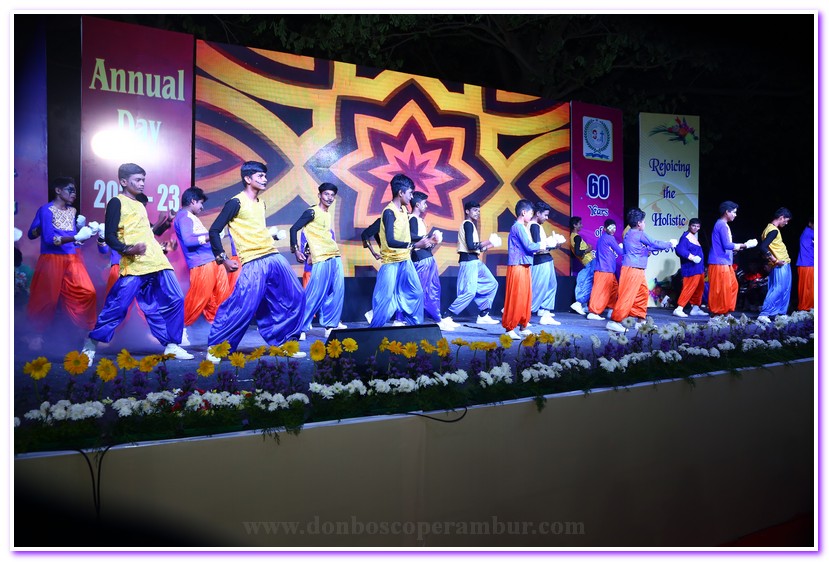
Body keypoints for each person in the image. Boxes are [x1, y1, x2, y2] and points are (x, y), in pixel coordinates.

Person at [82, 164, 192, 362]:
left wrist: (163, 228)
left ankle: (172, 345)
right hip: (135, 263)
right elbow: (110, 236)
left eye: (143, 180)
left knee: (175, 299)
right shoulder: (116, 202)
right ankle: (91, 345)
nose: (142, 183)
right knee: (117, 306)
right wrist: (128, 249)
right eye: (138, 180)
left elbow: (147, 234)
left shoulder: (140, 205)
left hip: (157, 261)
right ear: (124, 181)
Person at [206, 161, 306, 361]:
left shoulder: (261, 203)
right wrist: (223, 259)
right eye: (260, 176)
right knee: (243, 305)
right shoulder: (236, 202)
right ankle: (216, 348)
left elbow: (255, 229)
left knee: (296, 296)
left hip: (273, 256)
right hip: (253, 260)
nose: (265, 179)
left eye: (265, 176)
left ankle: (285, 342)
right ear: (247, 178)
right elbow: (214, 230)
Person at [25, 176, 97, 350]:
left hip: (72, 257)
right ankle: (35, 335)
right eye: (70, 190)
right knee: (46, 299)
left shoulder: (72, 211)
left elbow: (70, 237)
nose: (74, 194)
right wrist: (75, 236)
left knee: (88, 292)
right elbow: (48, 239)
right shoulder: (46, 210)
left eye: (75, 191)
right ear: (58, 190)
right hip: (51, 258)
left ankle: (86, 334)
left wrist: (81, 233)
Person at [368, 174, 436, 328]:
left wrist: (425, 239)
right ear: (400, 193)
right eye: (410, 193)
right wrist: (415, 245)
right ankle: (374, 331)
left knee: (417, 293)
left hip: (405, 261)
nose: (411, 197)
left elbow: (407, 235)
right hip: (391, 263)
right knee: (385, 299)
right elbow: (390, 241)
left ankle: (415, 328)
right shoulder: (389, 212)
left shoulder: (404, 210)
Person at [173, 187, 232, 345]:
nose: (202, 207)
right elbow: (188, 241)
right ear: (192, 201)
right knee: (198, 299)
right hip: (201, 263)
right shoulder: (184, 216)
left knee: (221, 298)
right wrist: (209, 236)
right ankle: (177, 331)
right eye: (200, 203)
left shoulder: (192, 217)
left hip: (213, 262)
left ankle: (218, 332)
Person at [289, 182, 347, 338]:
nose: (329, 198)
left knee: (337, 292)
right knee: (315, 294)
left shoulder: (327, 214)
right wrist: (296, 250)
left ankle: (330, 325)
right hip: (321, 257)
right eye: (326, 194)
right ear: (319, 195)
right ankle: (300, 328)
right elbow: (294, 229)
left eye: (332, 195)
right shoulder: (312, 212)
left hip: (334, 255)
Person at [606, 208, 677, 332]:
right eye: (643, 221)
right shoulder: (639, 234)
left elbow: (646, 249)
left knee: (642, 293)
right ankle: (614, 321)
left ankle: (640, 321)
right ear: (639, 223)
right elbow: (654, 243)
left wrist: (663, 245)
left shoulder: (629, 234)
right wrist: (670, 244)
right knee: (627, 295)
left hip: (636, 269)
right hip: (632, 269)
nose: (644, 223)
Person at [443, 201, 500, 325]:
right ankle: (447, 315)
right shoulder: (468, 224)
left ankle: (483, 314)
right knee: (469, 292)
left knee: (492, 283)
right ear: (467, 211)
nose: (477, 213)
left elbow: (476, 249)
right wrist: (488, 241)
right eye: (475, 210)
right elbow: (470, 246)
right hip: (468, 261)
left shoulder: (472, 225)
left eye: (478, 211)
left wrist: (490, 245)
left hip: (475, 261)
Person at [409, 191, 457, 331]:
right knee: (422, 291)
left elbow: (423, 241)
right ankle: (414, 320)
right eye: (424, 203)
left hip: (428, 259)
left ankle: (437, 318)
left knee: (433, 290)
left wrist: (432, 240)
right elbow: (411, 237)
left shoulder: (420, 220)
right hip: (421, 260)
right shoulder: (412, 219)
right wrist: (429, 238)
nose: (426, 206)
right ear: (417, 204)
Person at [503, 200, 551, 339]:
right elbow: (529, 246)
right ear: (523, 212)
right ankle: (510, 328)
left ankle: (523, 326)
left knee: (526, 297)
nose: (531, 215)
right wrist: (545, 244)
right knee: (516, 297)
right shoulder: (517, 227)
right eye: (531, 213)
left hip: (524, 265)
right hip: (517, 265)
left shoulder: (522, 227)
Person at [708, 201, 757, 316]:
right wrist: (746, 245)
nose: (735, 215)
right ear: (727, 212)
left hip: (725, 261)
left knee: (732, 286)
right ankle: (717, 313)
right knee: (720, 289)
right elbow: (726, 245)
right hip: (719, 262)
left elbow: (726, 246)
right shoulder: (721, 225)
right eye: (734, 212)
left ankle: (726, 311)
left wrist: (739, 247)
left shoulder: (724, 225)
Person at [529, 201, 563, 326]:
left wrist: (553, 245)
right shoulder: (534, 226)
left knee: (551, 286)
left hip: (546, 260)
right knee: (538, 289)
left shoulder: (538, 226)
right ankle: (523, 313)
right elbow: (537, 246)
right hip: (540, 261)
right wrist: (551, 244)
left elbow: (543, 246)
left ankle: (545, 313)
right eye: (545, 215)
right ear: (538, 213)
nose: (547, 218)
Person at [757, 207, 793, 322]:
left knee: (785, 289)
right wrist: (775, 260)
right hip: (780, 264)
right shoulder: (773, 230)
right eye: (786, 220)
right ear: (781, 217)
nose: (786, 223)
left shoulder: (769, 228)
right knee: (777, 288)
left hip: (783, 263)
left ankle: (781, 313)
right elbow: (763, 247)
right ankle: (764, 313)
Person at [587, 218, 623, 321]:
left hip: (607, 270)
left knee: (614, 289)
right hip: (604, 270)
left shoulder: (603, 238)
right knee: (599, 291)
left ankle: (610, 309)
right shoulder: (609, 238)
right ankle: (593, 312)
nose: (613, 230)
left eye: (614, 227)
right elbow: (620, 252)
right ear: (604, 228)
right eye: (610, 227)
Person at [672, 218, 708, 318]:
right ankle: (679, 308)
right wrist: (692, 257)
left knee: (699, 288)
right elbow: (679, 250)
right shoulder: (686, 237)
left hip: (698, 268)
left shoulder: (693, 237)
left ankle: (695, 308)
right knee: (689, 288)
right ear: (689, 226)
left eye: (697, 226)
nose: (695, 228)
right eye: (693, 226)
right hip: (691, 268)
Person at [569, 216, 595, 315]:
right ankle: (579, 303)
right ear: (574, 225)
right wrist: (588, 249)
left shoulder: (572, 237)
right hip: (589, 261)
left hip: (587, 263)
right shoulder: (577, 237)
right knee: (588, 284)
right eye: (580, 223)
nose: (582, 225)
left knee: (582, 281)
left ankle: (583, 305)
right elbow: (578, 252)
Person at [796, 218, 814, 311]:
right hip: (807, 264)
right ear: (810, 223)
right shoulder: (809, 233)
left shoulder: (809, 232)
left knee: (810, 288)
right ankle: (806, 308)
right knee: (808, 288)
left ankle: (808, 307)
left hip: (807, 263)